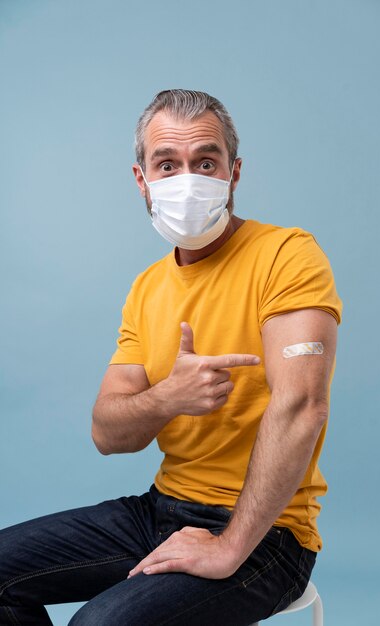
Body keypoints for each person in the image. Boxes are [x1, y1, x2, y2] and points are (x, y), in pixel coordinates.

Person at [0, 89, 342, 625]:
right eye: (167, 164)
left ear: (234, 172)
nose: (188, 179)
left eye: (206, 162)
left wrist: (229, 546)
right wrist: (168, 398)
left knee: (98, 624)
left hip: (267, 534)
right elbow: (109, 434)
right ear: (142, 180)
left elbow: (302, 406)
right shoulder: (147, 288)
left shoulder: (287, 255)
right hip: (159, 510)